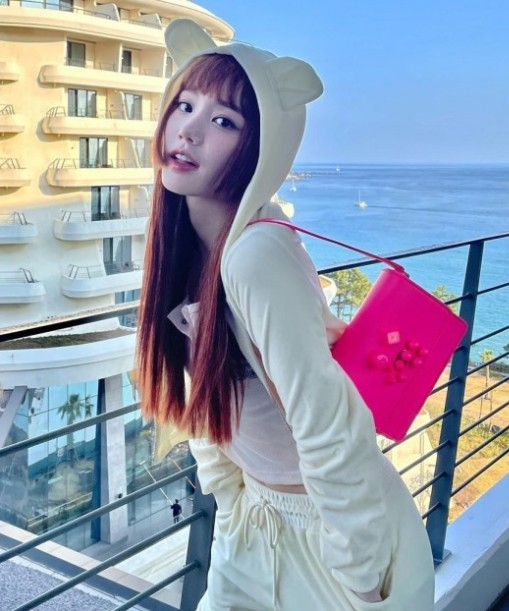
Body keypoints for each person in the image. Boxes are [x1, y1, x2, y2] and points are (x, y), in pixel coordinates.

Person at [137, 18, 435, 611]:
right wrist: (230, 500)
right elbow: (207, 397)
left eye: (224, 121)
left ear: (261, 146)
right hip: (257, 520)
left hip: (333, 538)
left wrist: (359, 577)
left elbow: (327, 421)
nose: (189, 129)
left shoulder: (256, 255)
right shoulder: (189, 252)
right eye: (185, 105)